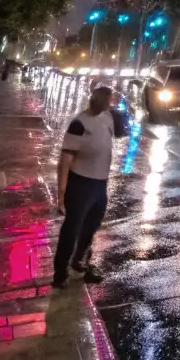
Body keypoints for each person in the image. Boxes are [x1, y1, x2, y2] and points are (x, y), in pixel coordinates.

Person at [53, 84, 126, 288]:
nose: (110, 102)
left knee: (91, 226)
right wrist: (61, 195)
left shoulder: (107, 117)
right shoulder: (79, 123)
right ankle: (60, 274)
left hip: (100, 184)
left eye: (111, 99)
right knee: (71, 229)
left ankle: (79, 262)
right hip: (80, 184)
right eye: (107, 99)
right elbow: (65, 161)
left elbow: (118, 134)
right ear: (96, 99)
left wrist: (124, 116)